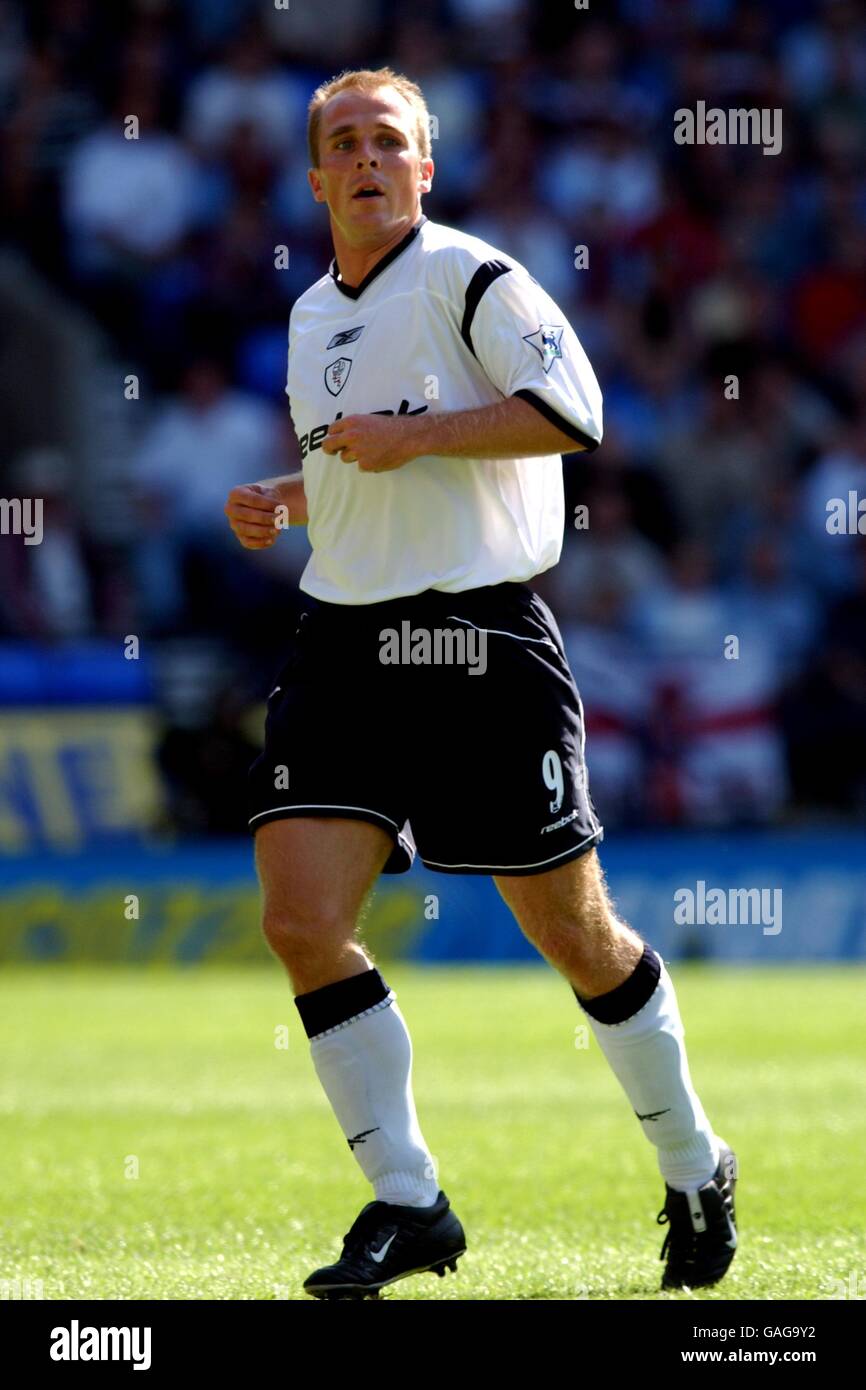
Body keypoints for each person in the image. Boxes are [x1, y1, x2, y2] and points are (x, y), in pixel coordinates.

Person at [224, 66, 737, 1300]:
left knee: (572, 936)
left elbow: (574, 413)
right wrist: (290, 498)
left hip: (478, 640)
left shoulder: (471, 276)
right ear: (313, 179)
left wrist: (416, 435)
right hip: (341, 640)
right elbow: (368, 470)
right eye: (340, 143)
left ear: (423, 167)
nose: (363, 159)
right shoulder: (308, 318)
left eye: (385, 142)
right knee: (299, 920)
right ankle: (408, 1203)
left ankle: (690, 1156)